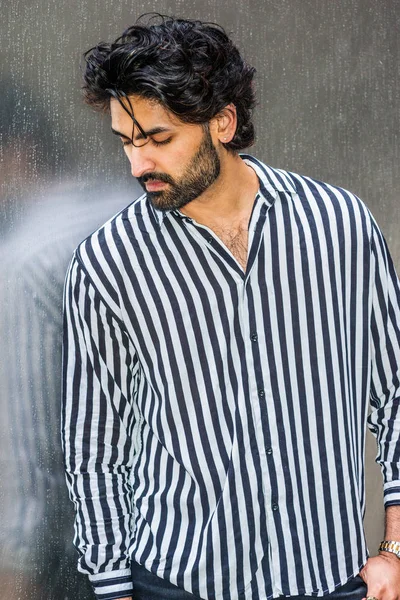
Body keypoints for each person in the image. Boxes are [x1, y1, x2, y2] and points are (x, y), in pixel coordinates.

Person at [61, 15, 400, 600]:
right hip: (177, 582)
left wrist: (395, 550)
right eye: (127, 142)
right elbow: (95, 447)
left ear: (223, 121)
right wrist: (115, 589)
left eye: (159, 139)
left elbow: (395, 393)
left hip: (329, 580)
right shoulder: (108, 262)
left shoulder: (339, 227)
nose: (138, 165)